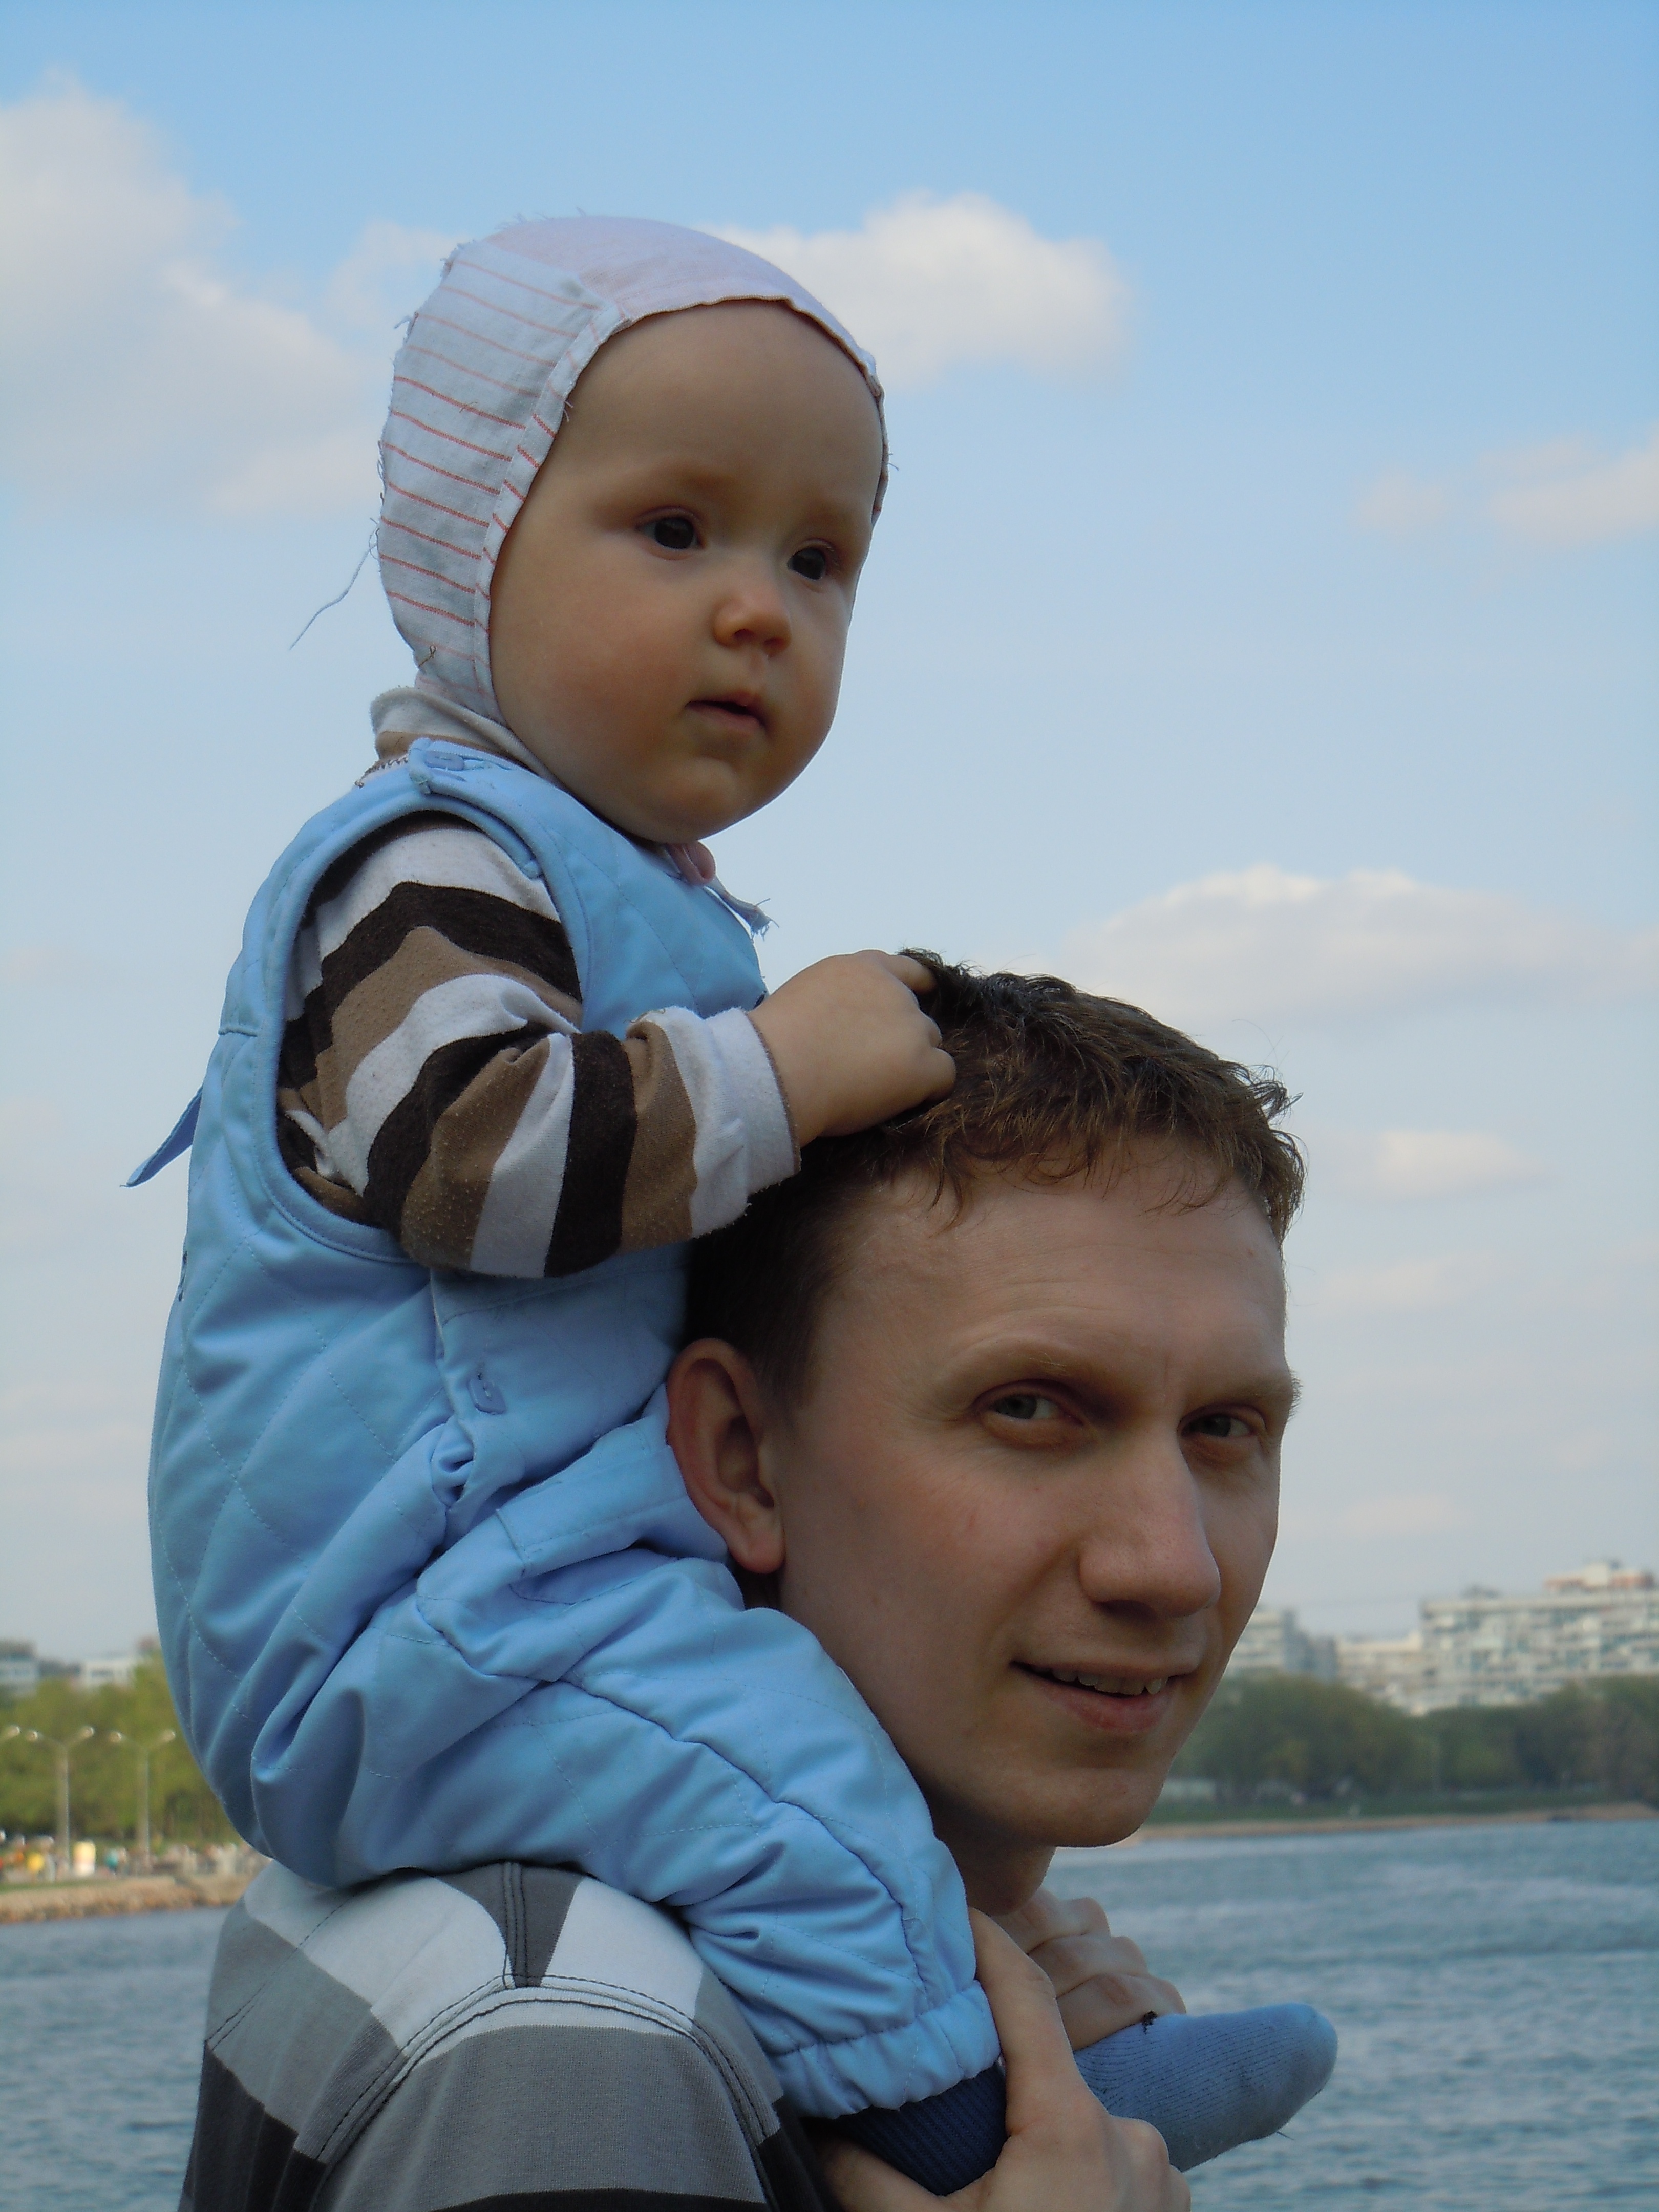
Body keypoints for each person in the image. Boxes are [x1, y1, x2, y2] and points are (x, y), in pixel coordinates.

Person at [142, 218, 1327, 2191]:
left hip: (509, 1587)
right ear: (466, 551)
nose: (759, 611)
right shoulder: (425, 867)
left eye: (818, 560)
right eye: (677, 530)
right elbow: (472, 1156)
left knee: (794, 1755)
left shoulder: (593, 893)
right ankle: (979, 2131)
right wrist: (779, 1069)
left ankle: (1051, 2027)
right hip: (418, 1608)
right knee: (776, 1785)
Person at [179, 966, 1332, 2211]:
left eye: (1225, 1429)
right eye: (1032, 1409)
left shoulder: (552, 1970)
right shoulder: (566, 2041)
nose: (1172, 1564)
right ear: (738, 1458)